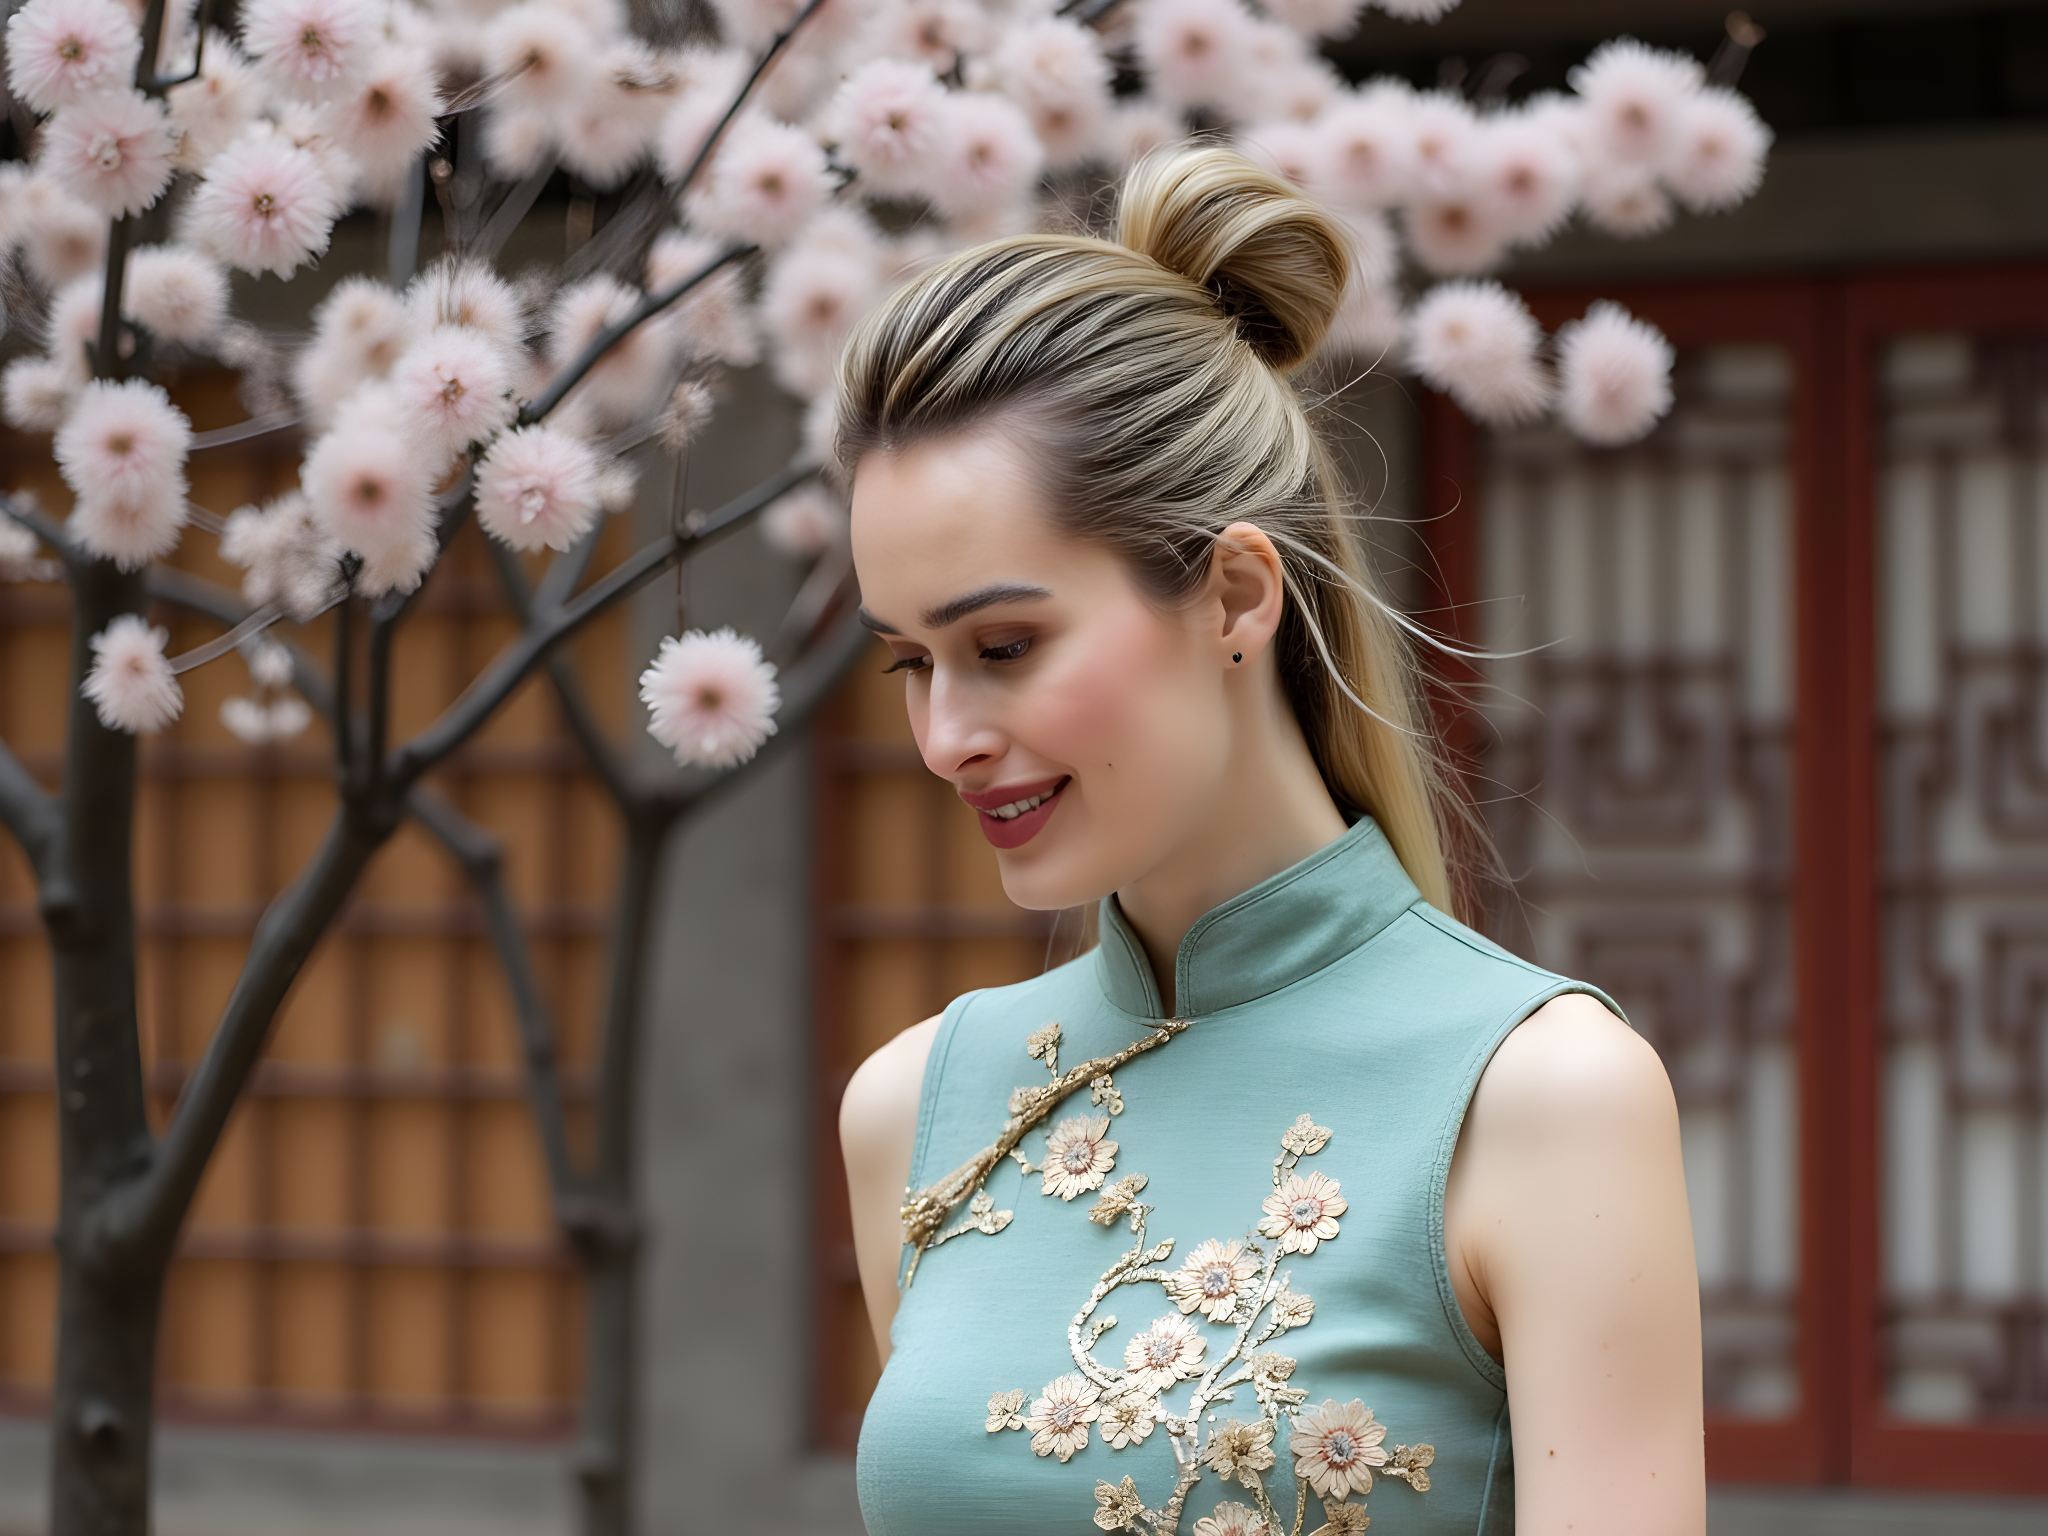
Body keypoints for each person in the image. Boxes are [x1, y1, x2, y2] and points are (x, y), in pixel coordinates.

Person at [835, 147, 1703, 1536]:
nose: (947, 736)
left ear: (1236, 593)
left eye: (1003, 645)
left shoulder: (1546, 1097)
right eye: (910, 666)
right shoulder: (915, 1109)